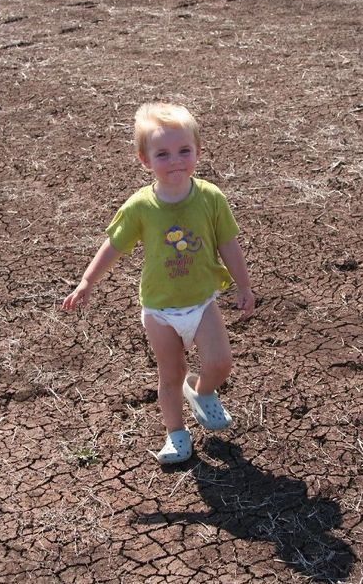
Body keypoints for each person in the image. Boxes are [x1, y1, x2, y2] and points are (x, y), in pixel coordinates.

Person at [62, 103, 255, 464]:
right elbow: (114, 245)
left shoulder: (211, 198)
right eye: (162, 154)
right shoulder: (140, 206)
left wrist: (244, 286)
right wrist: (88, 281)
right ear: (144, 160)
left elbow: (228, 243)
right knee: (170, 375)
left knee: (220, 362)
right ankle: (176, 435)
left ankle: (202, 391)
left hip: (201, 302)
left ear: (198, 151)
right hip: (159, 309)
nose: (176, 161)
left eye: (184, 150)